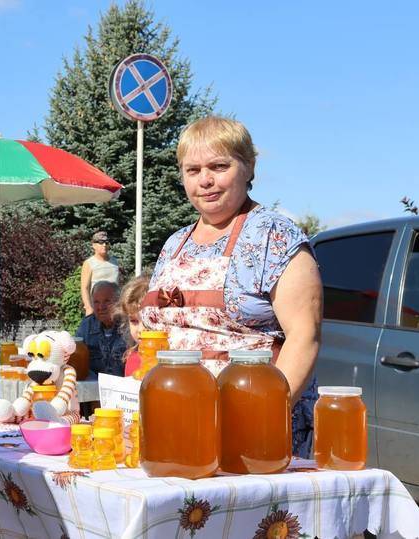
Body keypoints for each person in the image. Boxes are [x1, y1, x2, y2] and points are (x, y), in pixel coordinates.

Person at [139, 116, 322, 458]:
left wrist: (258, 420)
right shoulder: (175, 243)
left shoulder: (273, 235)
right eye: (192, 170)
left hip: (252, 433)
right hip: (178, 426)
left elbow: (304, 337)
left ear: (248, 167)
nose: (205, 181)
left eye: (219, 166)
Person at [75, 280, 126, 376]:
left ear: (118, 302)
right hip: (93, 386)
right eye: (96, 302)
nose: (101, 307)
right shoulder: (86, 326)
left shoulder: (128, 325)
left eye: (107, 301)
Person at [116, 275, 149, 377]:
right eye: (134, 321)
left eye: (147, 322)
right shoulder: (132, 358)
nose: (141, 329)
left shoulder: (168, 362)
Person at [80, 231, 120, 316]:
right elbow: (85, 288)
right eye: (100, 242)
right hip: (97, 308)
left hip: (114, 307)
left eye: (106, 242)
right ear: (93, 245)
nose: (104, 245)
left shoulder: (115, 261)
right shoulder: (89, 263)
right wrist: (88, 307)